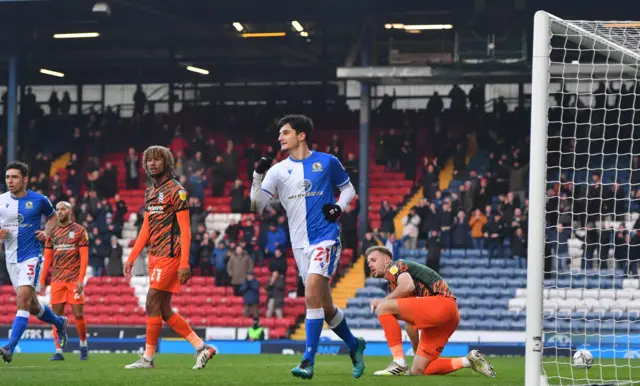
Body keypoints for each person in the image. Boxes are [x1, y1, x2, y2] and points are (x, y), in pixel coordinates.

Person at [250, 115, 365, 379]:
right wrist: (258, 176)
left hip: (325, 238)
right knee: (324, 306)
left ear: (301, 135)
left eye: (285, 132)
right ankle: (354, 345)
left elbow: (348, 190)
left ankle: (307, 360)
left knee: (311, 290)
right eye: (280, 133)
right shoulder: (278, 170)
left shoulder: (327, 162)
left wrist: (339, 207)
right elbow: (257, 206)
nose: (280, 137)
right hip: (299, 245)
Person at [123, 146, 215, 370]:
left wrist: (184, 262)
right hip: (155, 255)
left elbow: (186, 230)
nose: (152, 164)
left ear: (167, 163)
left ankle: (147, 358)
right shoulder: (150, 192)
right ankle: (202, 348)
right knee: (163, 309)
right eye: (148, 160)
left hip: (171, 255)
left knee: (151, 302)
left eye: (157, 160)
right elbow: (145, 228)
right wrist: (132, 257)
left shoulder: (177, 190)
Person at [365, 246, 496, 377]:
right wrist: (416, 347)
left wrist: (382, 302)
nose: (370, 264)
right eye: (368, 262)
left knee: (382, 307)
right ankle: (469, 360)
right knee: (418, 370)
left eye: (373, 260)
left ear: (387, 259)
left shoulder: (395, 266)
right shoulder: (394, 286)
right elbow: (410, 319)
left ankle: (398, 363)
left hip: (441, 304)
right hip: (450, 315)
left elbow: (407, 286)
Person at [0, 161, 68, 364]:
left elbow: (53, 217)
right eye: (7, 177)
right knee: (33, 306)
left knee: (22, 300)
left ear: (25, 179)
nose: (10, 181)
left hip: (31, 256)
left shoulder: (39, 200)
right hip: (11, 258)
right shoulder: (1, 201)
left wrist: (46, 232)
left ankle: (9, 347)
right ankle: (59, 322)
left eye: (14, 177)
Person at [39, 201, 90, 361]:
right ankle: (59, 350)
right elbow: (47, 259)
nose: (59, 212)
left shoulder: (80, 231)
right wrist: (42, 280)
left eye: (63, 209)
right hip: (58, 281)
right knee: (56, 316)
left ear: (69, 211)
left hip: (74, 280)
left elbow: (84, 258)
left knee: (78, 315)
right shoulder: (52, 233)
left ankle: (83, 344)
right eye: (58, 209)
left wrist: (81, 279)